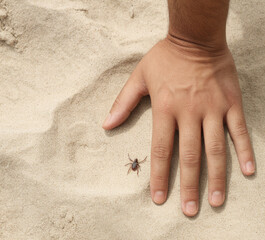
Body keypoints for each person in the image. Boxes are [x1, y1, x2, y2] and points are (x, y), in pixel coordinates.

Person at [102, 0, 256, 217]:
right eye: (134, 163)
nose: (135, 163)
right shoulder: (136, 163)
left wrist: (192, 45)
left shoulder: (134, 164)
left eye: (134, 163)